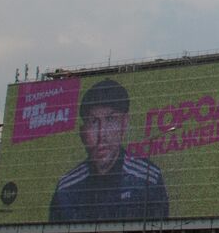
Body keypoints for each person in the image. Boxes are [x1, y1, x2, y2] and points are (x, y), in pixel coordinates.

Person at [50, 79, 167, 222]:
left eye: (110, 119)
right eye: (93, 122)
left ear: (124, 124)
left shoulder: (148, 178)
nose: (102, 134)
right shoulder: (67, 189)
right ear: (83, 132)